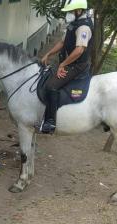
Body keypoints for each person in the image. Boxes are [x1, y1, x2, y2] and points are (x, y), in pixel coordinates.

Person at [39, 0, 93, 134]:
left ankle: (50, 122)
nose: (68, 14)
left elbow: (79, 50)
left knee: (51, 85)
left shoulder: (83, 27)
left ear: (79, 11)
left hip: (77, 65)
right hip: (70, 62)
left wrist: (63, 64)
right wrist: (48, 53)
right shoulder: (73, 24)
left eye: (70, 11)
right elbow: (62, 42)